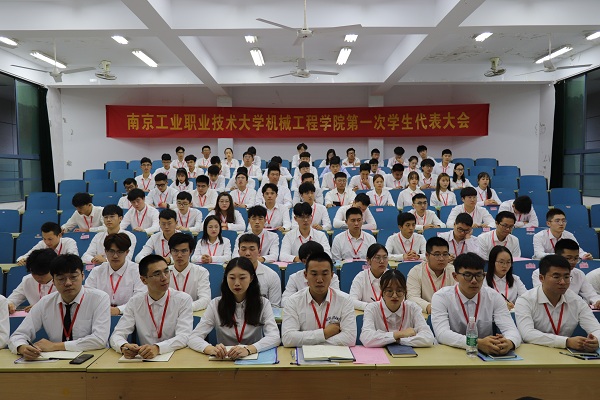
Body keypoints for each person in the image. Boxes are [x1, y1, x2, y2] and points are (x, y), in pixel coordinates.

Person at [9, 254, 111, 359]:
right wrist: (22, 347)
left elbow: (99, 339)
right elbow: (18, 335)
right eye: (61, 279)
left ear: (83, 275)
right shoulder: (45, 303)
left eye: (73, 277)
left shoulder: (99, 298)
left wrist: (55, 346)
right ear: (53, 281)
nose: (68, 283)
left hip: (94, 358)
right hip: (56, 361)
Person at [431, 252, 522, 355]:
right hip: (450, 353)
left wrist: (509, 342)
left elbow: (511, 330)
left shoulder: (494, 297)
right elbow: (442, 334)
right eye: (468, 275)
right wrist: (476, 343)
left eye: (479, 275)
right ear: (455, 276)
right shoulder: (441, 297)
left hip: (485, 353)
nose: (474, 281)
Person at [188, 257, 280, 358]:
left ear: (251, 278)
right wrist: (211, 349)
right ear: (226, 278)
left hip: (253, 358)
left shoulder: (263, 303)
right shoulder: (215, 304)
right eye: (232, 278)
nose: (237, 283)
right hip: (224, 359)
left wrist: (249, 349)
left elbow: (274, 337)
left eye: (242, 278)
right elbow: (194, 337)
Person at [109, 255, 193, 359]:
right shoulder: (135, 302)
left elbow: (184, 336)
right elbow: (117, 334)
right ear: (144, 280)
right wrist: (123, 346)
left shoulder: (183, 300)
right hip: (145, 359)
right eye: (157, 274)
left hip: (176, 357)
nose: (164, 278)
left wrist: (157, 348)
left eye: (166, 271)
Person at [515, 254, 600, 350]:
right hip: (533, 352)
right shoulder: (525, 300)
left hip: (565, 354)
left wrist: (596, 340)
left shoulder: (576, 301)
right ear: (541, 278)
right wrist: (566, 342)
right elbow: (527, 334)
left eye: (566, 277)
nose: (563, 282)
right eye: (556, 277)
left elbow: (596, 329)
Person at [282, 252, 357, 346]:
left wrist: (311, 342)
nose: (319, 280)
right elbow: (288, 339)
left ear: (332, 275)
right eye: (314, 274)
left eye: (325, 274)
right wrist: (325, 333)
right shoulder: (293, 301)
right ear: (305, 275)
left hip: (335, 354)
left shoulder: (345, 300)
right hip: (304, 354)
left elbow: (350, 338)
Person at [360, 269, 435, 348]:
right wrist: (400, 334)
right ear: (382, 291)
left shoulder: (412, 308)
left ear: (405, 290)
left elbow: (429, 338)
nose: (395, 295)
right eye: (389, 291)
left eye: (399, 291)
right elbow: (366, 338)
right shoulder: (372, 309)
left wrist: (398, 340)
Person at [85, 233, 146, 316]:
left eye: (120, 252)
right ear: (105, 251)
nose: (115, 256)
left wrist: (119, 310)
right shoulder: (97, 271)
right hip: (101, 314)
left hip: (130, 315)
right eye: (111, 251)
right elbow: (88, 296)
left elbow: (140, 299)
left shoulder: (137, 271)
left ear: (127, 252)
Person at [532, 239, 600, 308]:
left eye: (576, 258)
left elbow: (591, 294)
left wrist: (597, 301)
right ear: (556, 256)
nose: (573, 262)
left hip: (573, 308)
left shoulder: (579, 274)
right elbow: (542, 295)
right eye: (568, 258)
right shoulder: (540, 273)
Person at [282, 241, 340, 307]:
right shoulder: (294, 278)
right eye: (313, 259)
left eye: (319, 257)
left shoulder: (332, 277)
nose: (317, 261)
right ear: (304, 261)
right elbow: (285, 302)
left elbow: (337, 300)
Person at [406, 237, 456, 313]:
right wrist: (429, 307)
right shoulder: (416, 271)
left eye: (445, 254)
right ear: (427, 256)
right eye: (437, 254)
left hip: (449, 313)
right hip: (425, 315)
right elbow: (412, 297)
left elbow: (459, 296)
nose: (441, 258)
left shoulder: (453, 272)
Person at [168, 233, 210, 311]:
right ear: (170, 252)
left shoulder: (201, 272)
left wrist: (185, 308)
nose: (179, 255)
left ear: (191, 252)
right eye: (175, 251)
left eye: (184, 251)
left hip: (191, 313)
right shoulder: (165, 273)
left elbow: (205, 299)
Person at [237, 233, 282, 307]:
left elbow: (274, 307)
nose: (247, 253)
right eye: (243, 249)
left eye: (252, 249)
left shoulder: (272, 276)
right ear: (238, 252)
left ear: (259, 252)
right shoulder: (230, 274)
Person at [7, 249, 57, 314]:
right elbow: (13, 299)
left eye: (42, 275)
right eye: (34, 273)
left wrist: (41, 308)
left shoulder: (64, 282)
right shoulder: (28, 280)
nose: (38, 278)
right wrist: (9, 304)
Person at [485, 246, 527, 310]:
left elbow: (525, 298)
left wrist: (517, 306)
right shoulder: (483, 281)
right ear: (492, 262)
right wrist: (503, 306)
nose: (505, 266)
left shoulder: (515, 279)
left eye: (508, 262)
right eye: (501, 262)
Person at [349, 244, 389, 310]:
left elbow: (401, 300)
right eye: (377, 258)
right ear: (368, 260)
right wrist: (371, 307)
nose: (382, 261)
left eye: (385, 257)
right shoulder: (361, 277)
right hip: (367, 313)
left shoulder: (393, 277)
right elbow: (352, 301)